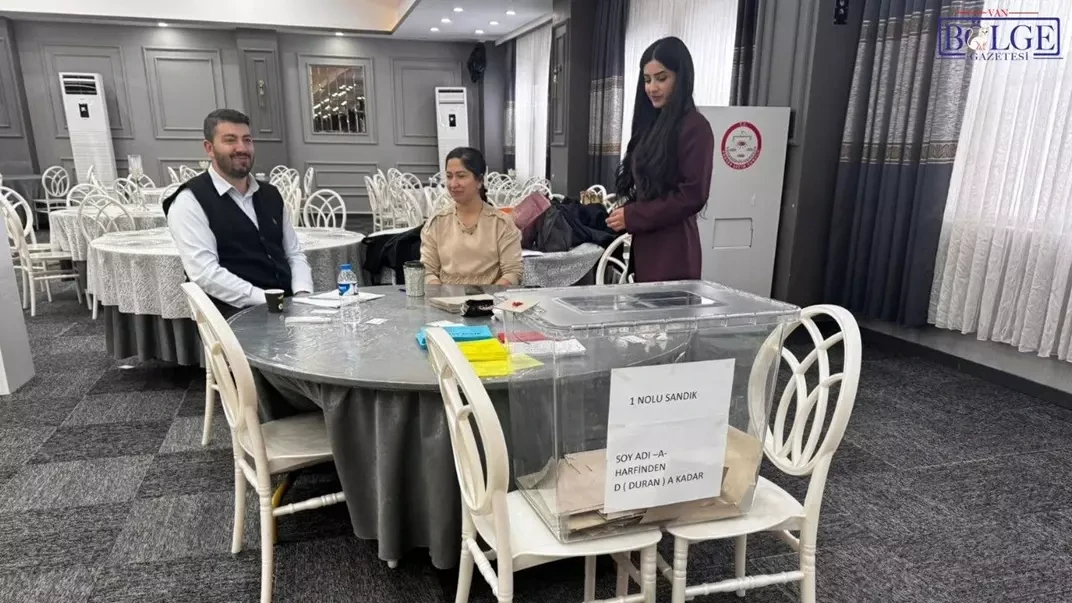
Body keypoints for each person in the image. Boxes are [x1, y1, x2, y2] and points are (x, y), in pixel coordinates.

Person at [164, 109, 313, 314]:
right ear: (209, 148)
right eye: (230, 140)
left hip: (286, 308)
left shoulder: (271, 194)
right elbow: (205, 273)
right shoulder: (189, 201)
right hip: (235, 316)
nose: (242, 148)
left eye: (247, 140)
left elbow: (294, 253)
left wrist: (303, 295)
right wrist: (270, 300)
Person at [607, 36, 714, 282]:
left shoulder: (695, 127)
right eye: (647, 80)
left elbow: (692, 196)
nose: (652, 88)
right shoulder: (652, 124)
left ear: (681, 78)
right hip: (646, 244)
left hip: (674, 249)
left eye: (661, 78)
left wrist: (634, 215)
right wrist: (626, 211)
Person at [420, 147, 523, 286]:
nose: (453, 184)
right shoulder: (437, 222)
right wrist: (441, 293)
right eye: (449, 176)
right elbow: (427, 270)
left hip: (491, 297)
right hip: (446, 296)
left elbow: (512, 272)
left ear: (479, 180)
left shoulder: (501, 223)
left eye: (461, 176)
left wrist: (488, 295)